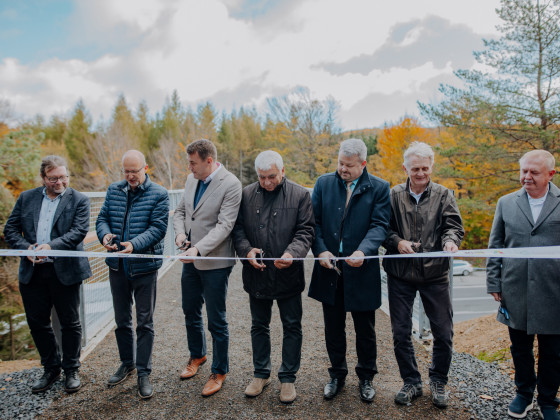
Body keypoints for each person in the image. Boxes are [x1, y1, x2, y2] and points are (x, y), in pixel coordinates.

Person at [308, 138, 390, 402]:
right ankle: (337, 375)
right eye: (340, 163)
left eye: (349, 165)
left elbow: (379, 226)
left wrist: (363, 251)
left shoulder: (379, 187)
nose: (343, 169)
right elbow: (314, 223)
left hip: (361, 270)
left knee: (365, 329)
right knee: (333, 328)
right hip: (329, 268)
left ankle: (366, 378)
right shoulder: (323, 183)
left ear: (363, 164)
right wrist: (320, 250)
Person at [382, 141, 464, 409]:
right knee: (401, 332)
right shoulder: (392, 195)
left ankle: (438, 381)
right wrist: (396, 242)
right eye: (415, 168)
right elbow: (381, 228)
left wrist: (450, 241)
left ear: (432, 167)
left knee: (443, 332)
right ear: (405, 167)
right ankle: (411, 382)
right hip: (400, 275)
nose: (420, 174)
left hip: (435, 275)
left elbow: (454, 226)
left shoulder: (444, 194)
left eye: (425, 168)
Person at [231, 150, 314, 404]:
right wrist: (246, 251)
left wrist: (293, 253)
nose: (267, 182)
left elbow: (306, 231)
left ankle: (288, 377)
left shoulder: (301, 195)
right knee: (259, 325)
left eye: (272, 177)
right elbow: (238, 230)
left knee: (291, 325)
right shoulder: (246, 194)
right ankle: (261, 373)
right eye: (262, 177)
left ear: (282, 171)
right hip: (257, 273)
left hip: (288, 273)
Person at [4, 155, 92, 394]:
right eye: (53, 178)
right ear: (43, 178)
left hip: (64, 271)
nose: (60, 182)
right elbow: (10, 229)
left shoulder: (79, 200)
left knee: (70, 323)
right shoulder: (26, 198)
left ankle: (71, 369)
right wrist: (27, 249)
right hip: (33, 272)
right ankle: (51, 369)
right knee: (37, 322)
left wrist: (50, 246)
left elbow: (78, 232)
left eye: (63, 177)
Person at [486, 150, 560, 420]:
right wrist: (494, 281)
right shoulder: (506, 203)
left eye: (534, 172)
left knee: (553, 351)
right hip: (515, 289)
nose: (526, 177)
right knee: (520, 347)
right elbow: (496, 246)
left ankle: (549, 400)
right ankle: (524, 394)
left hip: (555, 292)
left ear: (550, 174)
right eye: (524, 171)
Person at [96, 150, 169, 399]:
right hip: (117, 266)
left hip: (144, 267)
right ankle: (127, 363)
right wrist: (104, 235)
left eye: (134, 171)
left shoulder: (159, 194)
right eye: (126, 171)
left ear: (145, 168)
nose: (130, 176)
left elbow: (158, 228)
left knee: (144, 322)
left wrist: (134, 244)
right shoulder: (113, 190)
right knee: (122, 320)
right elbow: (102, 218)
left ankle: (143, 372)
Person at [173, 139, 242, 397]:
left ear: (209, 161)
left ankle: (219, 370)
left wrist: (199, 249)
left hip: (215, 262)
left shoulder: (232, 184)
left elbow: (225, 226)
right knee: (189, 309)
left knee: (216, 318)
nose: (189, 167)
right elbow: (181, 212)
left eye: (193, 163)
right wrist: (180, 235)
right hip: (190, 258)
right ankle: (197, 355)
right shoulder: (192, 179)